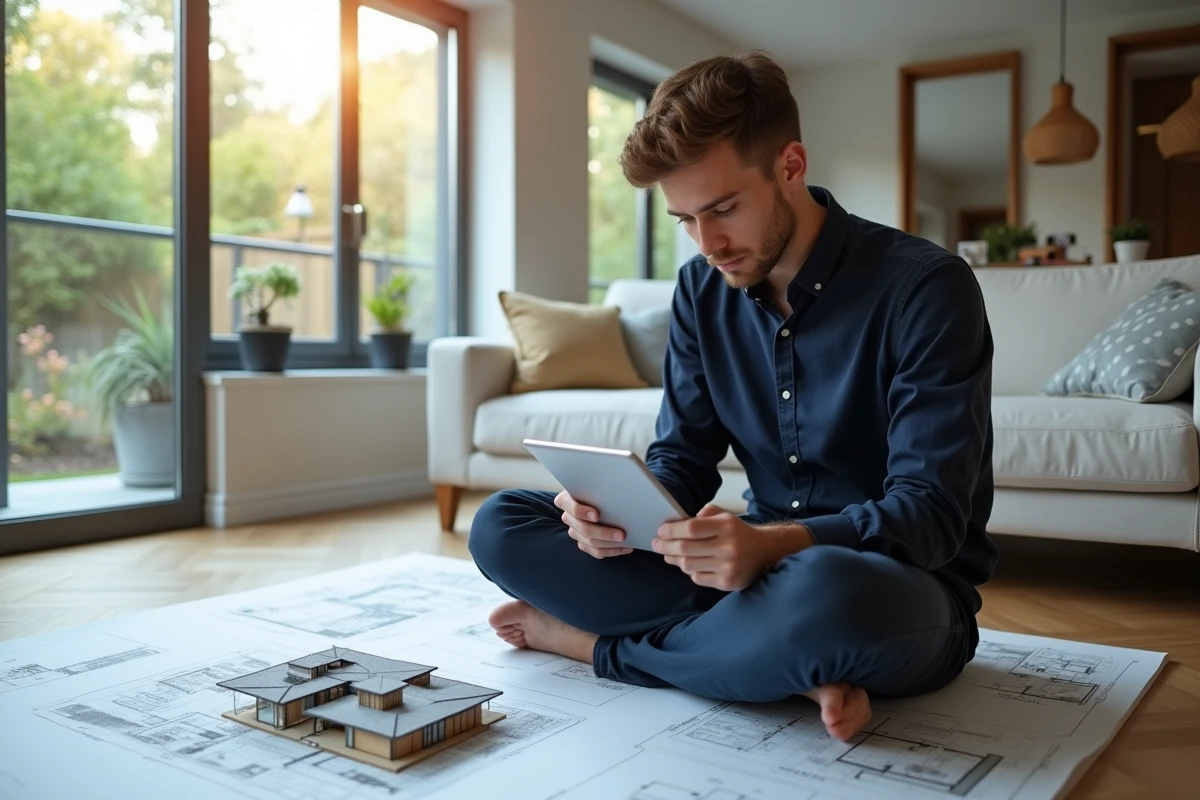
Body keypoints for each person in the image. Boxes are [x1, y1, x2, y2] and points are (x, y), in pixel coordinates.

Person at [468, 51, 997, 742]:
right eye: (684, 218)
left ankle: (595, 647)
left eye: (723, 208)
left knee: (824, 596)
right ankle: (774, 660)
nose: (707, 243)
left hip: (893, 586)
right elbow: (683, 461)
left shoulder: (927, 288)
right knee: (503, 525)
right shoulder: (698, 291)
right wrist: (610, 515)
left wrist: (775, 546)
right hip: (737, 574)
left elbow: (930, 517)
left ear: (791, 165)